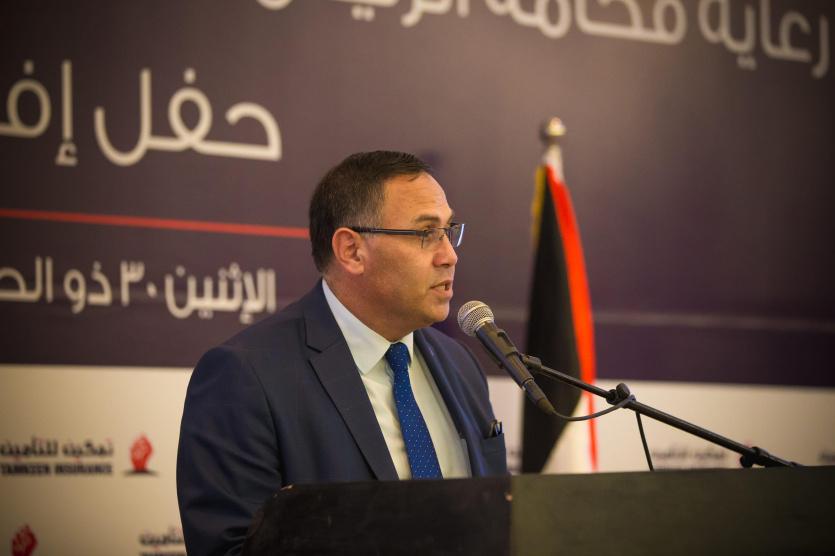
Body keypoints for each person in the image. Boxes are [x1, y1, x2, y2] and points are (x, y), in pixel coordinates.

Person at [176, 151, 507, 555]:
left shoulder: (459, 363)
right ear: (351, 250)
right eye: (425, 233)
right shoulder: (245, 377)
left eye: (448, 230)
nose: (449, 255)